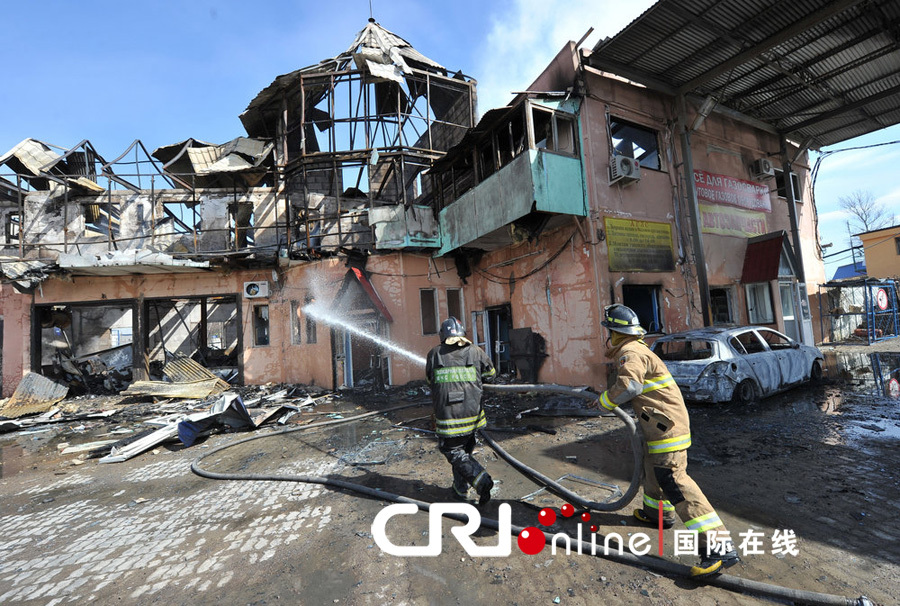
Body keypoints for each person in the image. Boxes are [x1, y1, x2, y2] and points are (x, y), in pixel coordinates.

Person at [595, 304, 739, 577]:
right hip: (660, 426)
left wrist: (604, 400)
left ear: (614, 333)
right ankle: (657, 515)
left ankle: (720, 547)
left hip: (666, 429)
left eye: (609, 332)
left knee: (673, 479)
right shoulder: (637, 349)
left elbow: (629, 385)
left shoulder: (630, 351)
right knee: (654, 471)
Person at [425, 317, 497, 505]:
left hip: (449, 418)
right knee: (464, 454)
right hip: (473, 417)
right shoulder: (476, 351)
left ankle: (482, 481)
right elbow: (490, 374)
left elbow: (429, 381)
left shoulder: (434, 354)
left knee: (452, 450)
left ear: (443, 335)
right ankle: (460, 490)